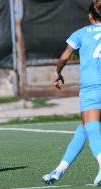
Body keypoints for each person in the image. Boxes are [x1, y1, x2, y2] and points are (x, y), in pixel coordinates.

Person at [42, 0, 101, 186]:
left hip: (93, 87)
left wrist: (57, 73)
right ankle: (59, 170)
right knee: (84, 127)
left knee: (91, 126)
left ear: (90, 15)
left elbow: (64, 57)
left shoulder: (81, 33)